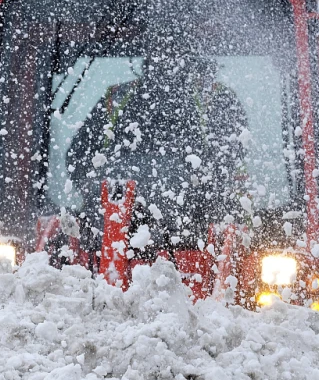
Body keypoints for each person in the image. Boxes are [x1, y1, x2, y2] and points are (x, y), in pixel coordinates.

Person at [66, 53, 247, 253]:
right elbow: (228, 160)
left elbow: (77, 159)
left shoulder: (119, 96)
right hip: (183, 233)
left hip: (131, 232)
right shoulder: (216, 98)